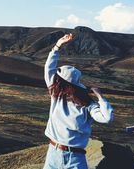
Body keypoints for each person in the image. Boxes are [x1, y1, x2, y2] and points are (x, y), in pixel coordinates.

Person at [43, 33, 114, 169]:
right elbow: (48, 70)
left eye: (59, 80)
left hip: (73, 158)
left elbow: (107, 118)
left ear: (64, 83)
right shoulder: (57, 96)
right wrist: (57, 46)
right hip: (54, 153)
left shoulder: (88, 105)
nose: (55, 81)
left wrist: (100, 98)